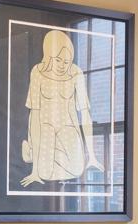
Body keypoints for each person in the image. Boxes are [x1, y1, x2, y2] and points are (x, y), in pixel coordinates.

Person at [20, 28, 102, 186]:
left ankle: (32, 154)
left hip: (68, 125)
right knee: (44, 173)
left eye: (66, 62)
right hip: (45, 126)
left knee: (77, 170)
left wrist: (91, 155)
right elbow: (35, 115)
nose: (62, 65)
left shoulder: (76, 73)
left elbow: (85, 115)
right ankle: (32, 153)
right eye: (58, 60)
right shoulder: (37, 72)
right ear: (49, 56)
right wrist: (35, 169)